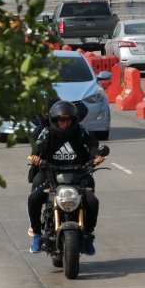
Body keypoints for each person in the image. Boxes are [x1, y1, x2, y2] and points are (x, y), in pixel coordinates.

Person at [27, 100, 105, 255]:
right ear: (55, 120)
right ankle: (36, 234)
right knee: (33, 199)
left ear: (73, 119)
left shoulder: (81, 132)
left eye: (68, 119)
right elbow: (38, 146)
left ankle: (88, 236)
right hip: (52, 176)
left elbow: (93, 146)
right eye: (61, 119)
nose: (65, 123)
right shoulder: (47, 132)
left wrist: (97, 156)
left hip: (79, 176)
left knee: (92, 201)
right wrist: (36, 157)